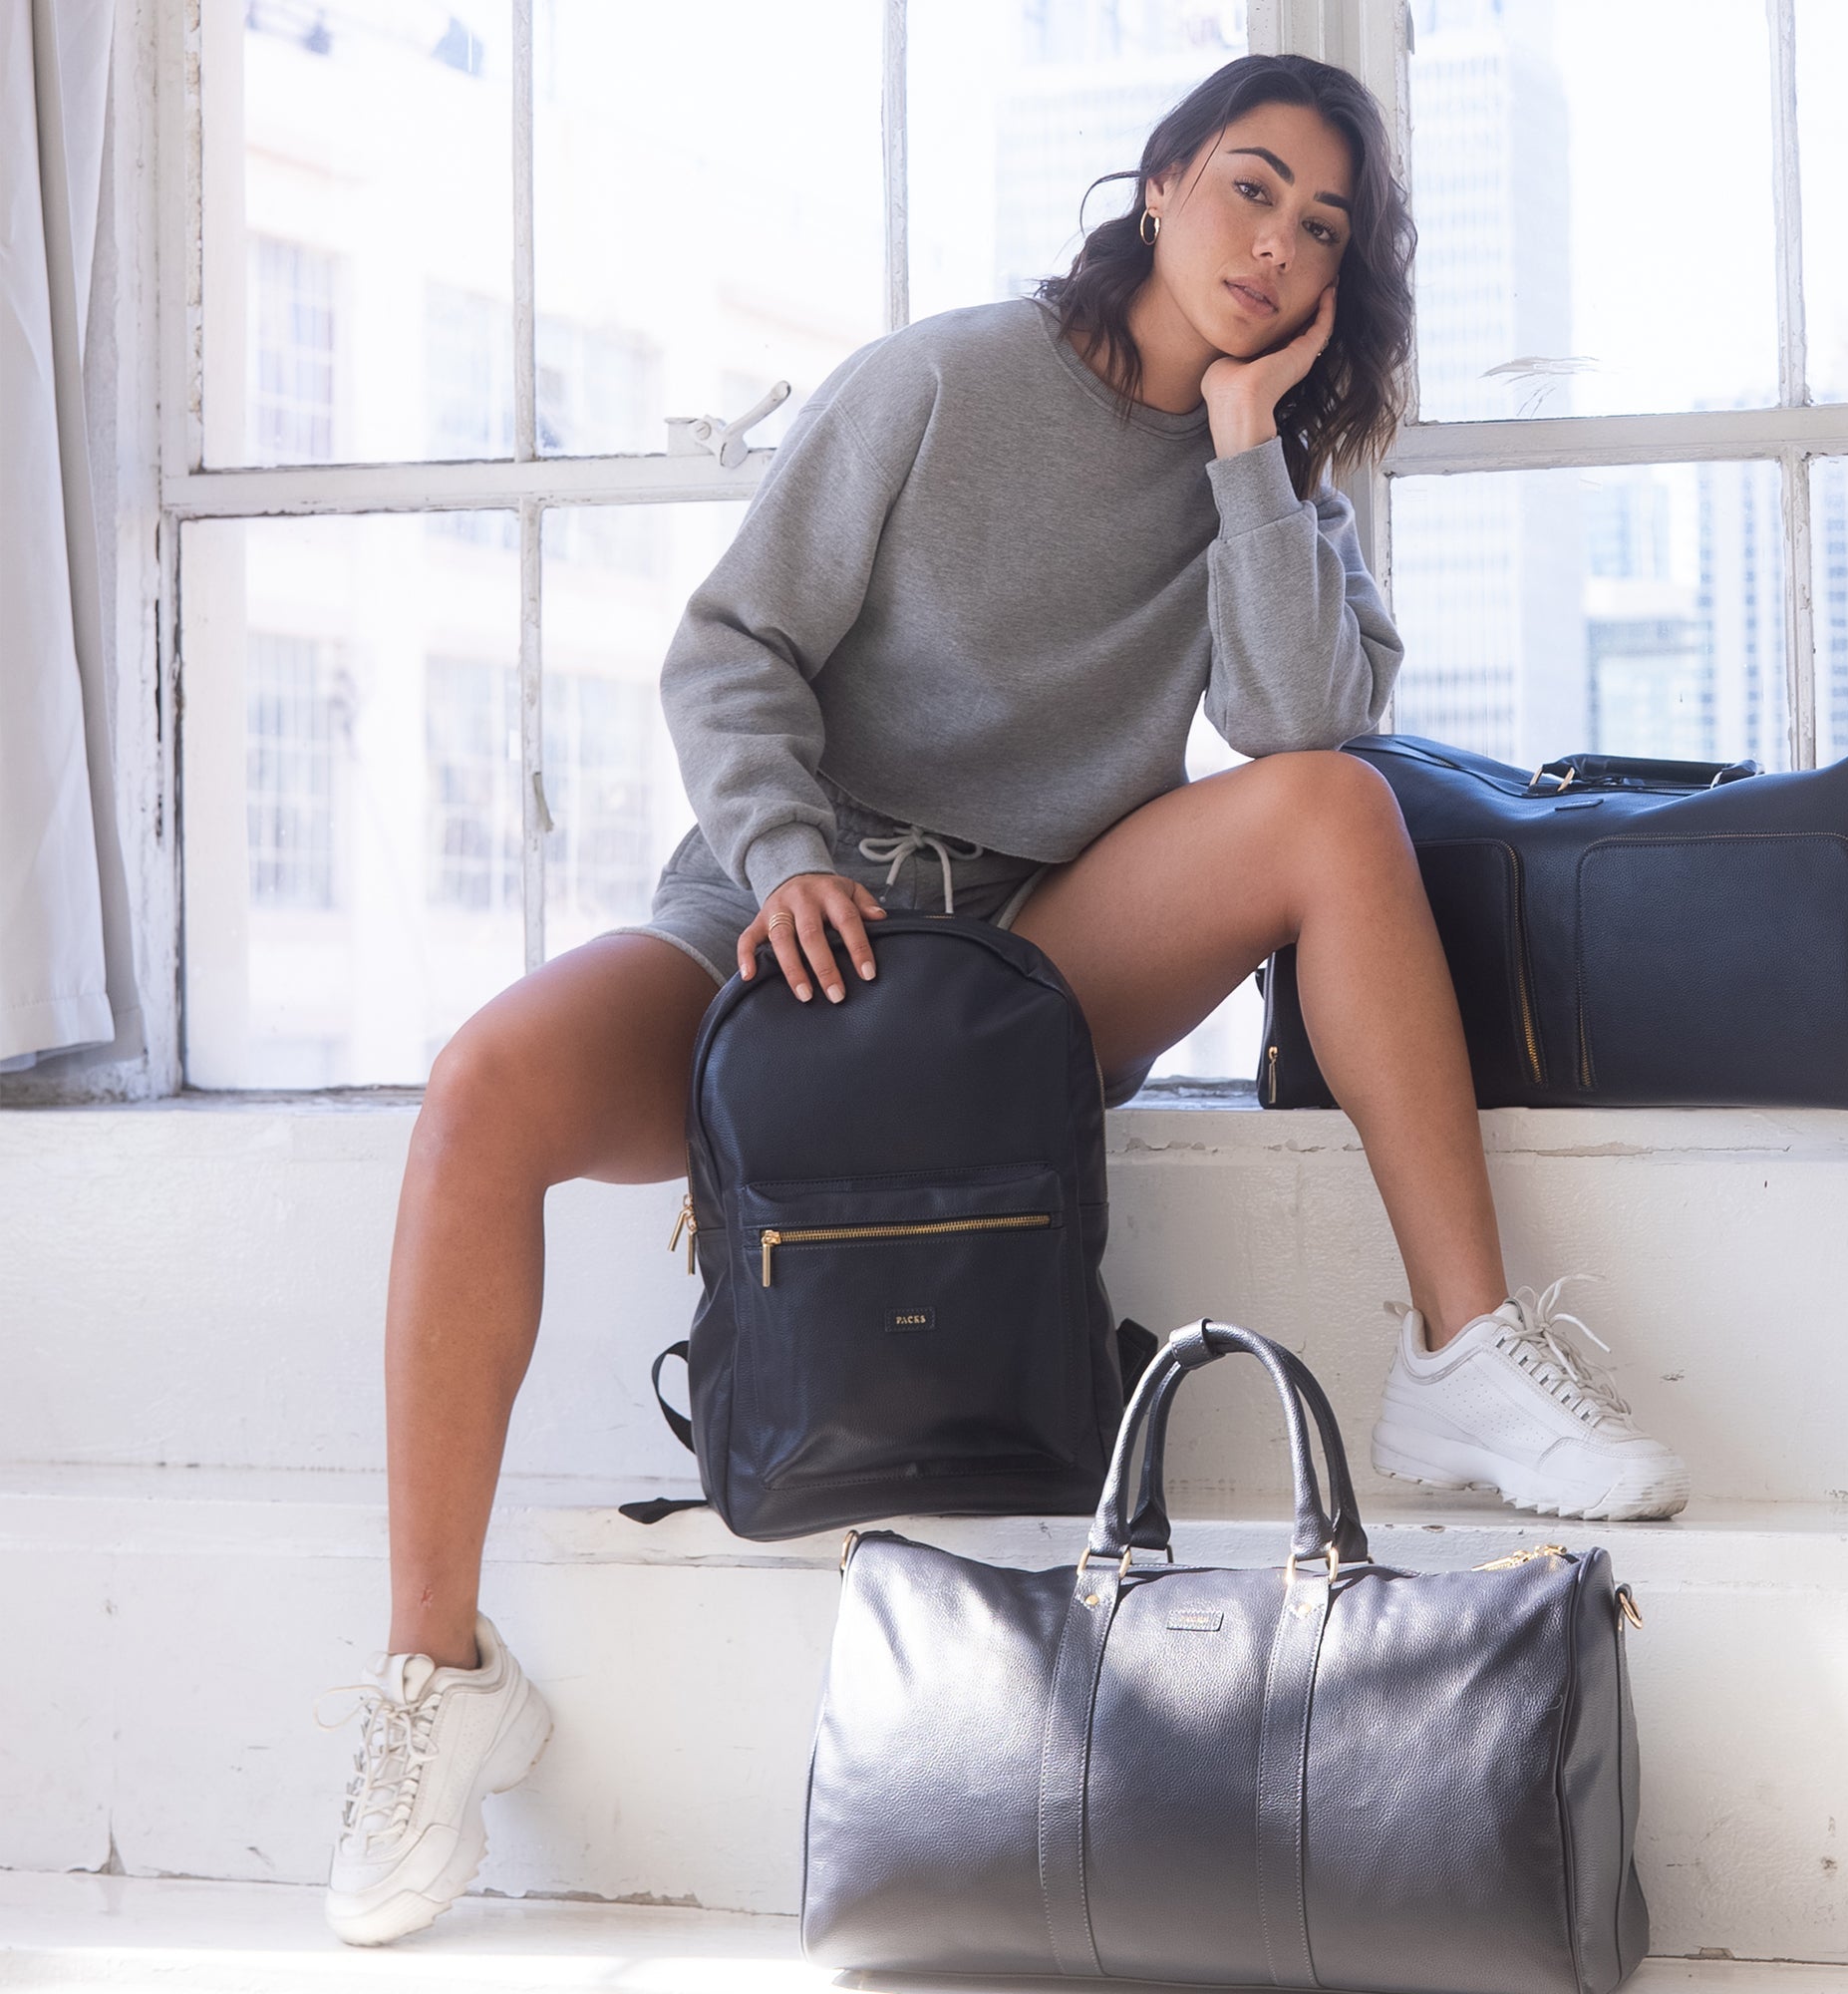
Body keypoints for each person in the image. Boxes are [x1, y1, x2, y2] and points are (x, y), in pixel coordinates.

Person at [322, 52, 1688, 1948]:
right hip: (780, 924)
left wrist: (1247, 453)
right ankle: (437, 1675)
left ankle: (1463, 1354)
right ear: (1159, 182)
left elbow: (1298, 724)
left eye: (1323, 229)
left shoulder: (1278, 489)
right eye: (1251, 187)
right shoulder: (945, 379)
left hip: (1021, 966)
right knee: (481, 1085)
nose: (1278, 245)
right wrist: (787, 853)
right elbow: (730, 646)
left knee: (1334, 812)